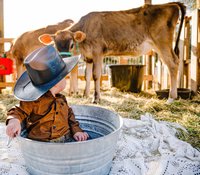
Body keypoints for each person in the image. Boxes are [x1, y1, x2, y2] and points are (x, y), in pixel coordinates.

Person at [6, 45, 88, 142]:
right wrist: (14, 121)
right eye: (64, 77)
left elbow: (70, 117)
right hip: (40, 144)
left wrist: (76, 131)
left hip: (65, 140)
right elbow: (19, 110)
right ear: (56, 83)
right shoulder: (34, 101)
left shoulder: (61, 99)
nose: (66, 79)